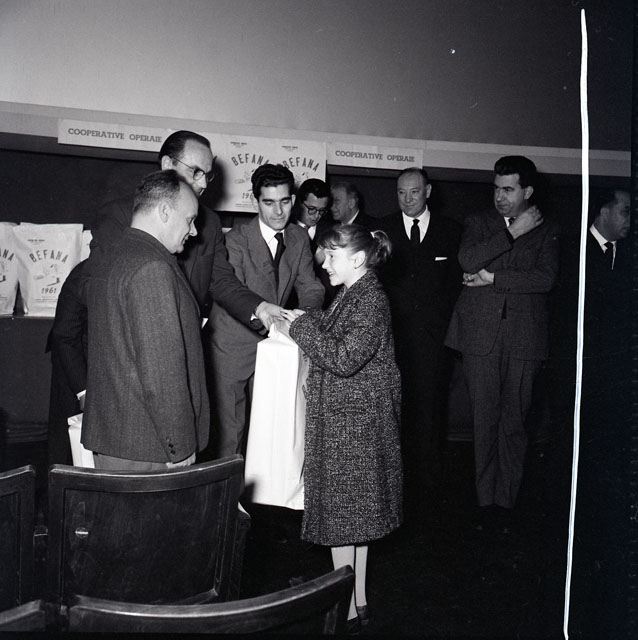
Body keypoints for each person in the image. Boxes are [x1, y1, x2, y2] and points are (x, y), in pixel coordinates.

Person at [282, 224, 403, 632]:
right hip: (352, 423)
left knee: (341, 523)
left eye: (332, 256)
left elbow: (344, 357)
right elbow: (338, 328)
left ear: (358, 259)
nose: (325, 263)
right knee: (356, 523)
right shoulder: (358, 292)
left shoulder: (370, 300)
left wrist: (300, 328)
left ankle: (345, 611)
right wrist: (309, 317)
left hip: (352, 429)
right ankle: (358, 600)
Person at [445, 156, 559, 512]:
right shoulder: (479, 222)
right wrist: (513, 232)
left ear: (527, 191)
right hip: (480, 336)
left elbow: (545, 279)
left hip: (525, 339)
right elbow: (468, 260)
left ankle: (507, 501)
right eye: (496, 189)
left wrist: (493, 278)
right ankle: (485, 501)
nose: (500, 197)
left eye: (508, 190)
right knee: (483, 421)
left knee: (515, 421)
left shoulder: (547, 228)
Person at [82, 170, 209, 470]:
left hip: (118, 439)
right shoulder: (152, 267)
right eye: (189, 220)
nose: (193, 232)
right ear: (164, 211)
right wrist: (180, 446)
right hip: (150, 448)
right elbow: (162, 371)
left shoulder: (112, 255)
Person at [92, 130, 282, 328]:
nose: (203, 184)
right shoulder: (118, 215)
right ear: (167, 165)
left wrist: (260, 308)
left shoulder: (210, 223)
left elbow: (222, 281)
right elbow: (100, 289)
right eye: (195, 171)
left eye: (207, 175)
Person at [208, 164, 324, 459]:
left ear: (293, 200)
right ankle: (230, 490)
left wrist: (302, 316)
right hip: (232, 347)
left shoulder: (299, 239)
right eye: (269, 202)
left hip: (276, 348)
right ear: (255, 201)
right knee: (230, 435)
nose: (278, 211)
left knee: (270, 434)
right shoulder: (234, 240)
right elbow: (232, 292)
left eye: (284, 201)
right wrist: (274, 321)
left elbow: (310, 286)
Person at [376, 167, 461, 497]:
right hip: (391, 338)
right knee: (391, 409)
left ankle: (428, 484)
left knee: (429, 408)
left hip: (433, 341)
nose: (407, 199)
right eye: (401, 193)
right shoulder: (381, 229)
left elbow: (455, 288)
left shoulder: (450, 231)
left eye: (414, 192)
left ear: (428, 192)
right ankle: (391, 479)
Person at [45, 259, 89, 465]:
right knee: (65, 438)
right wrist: (83, 390)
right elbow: (64, 334)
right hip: (72, 363)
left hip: (84, 359)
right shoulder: (85, 272)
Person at [291, 178, 335, 306]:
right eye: (311, 209)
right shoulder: (284, 229)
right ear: (298, 203)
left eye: (321, 211)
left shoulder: (332, 232)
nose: (316, 215)